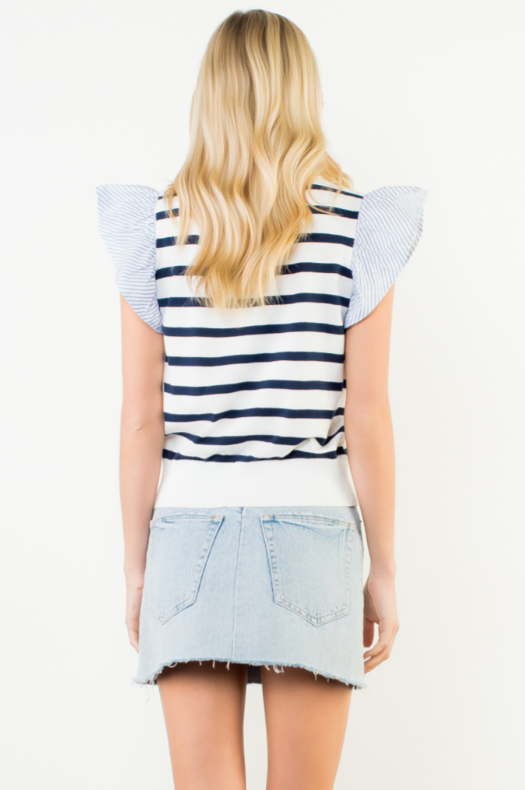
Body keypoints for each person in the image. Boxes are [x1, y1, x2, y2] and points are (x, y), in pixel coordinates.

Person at [96, 9, 427, 790]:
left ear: (207, 96)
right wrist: (383, 570)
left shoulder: (154, 230)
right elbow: (366, 415)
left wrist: (138, 570)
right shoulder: (358, 229)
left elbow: (141, 418)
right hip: (313, 534)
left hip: (184, 535)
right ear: (302, 94)